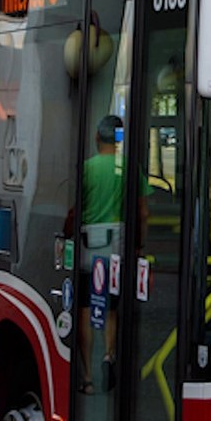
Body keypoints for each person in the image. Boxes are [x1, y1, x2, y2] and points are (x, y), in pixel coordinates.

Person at [78, 114, 151, 393]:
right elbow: (142, 212)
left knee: (85, 308)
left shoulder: (86, 169)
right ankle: (109, 354)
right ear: (120, 141)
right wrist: (139, 245)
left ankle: (87, 377)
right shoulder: (130, 168)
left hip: (88, 246)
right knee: (111, 308)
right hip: (117, 247)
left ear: (97, 138)